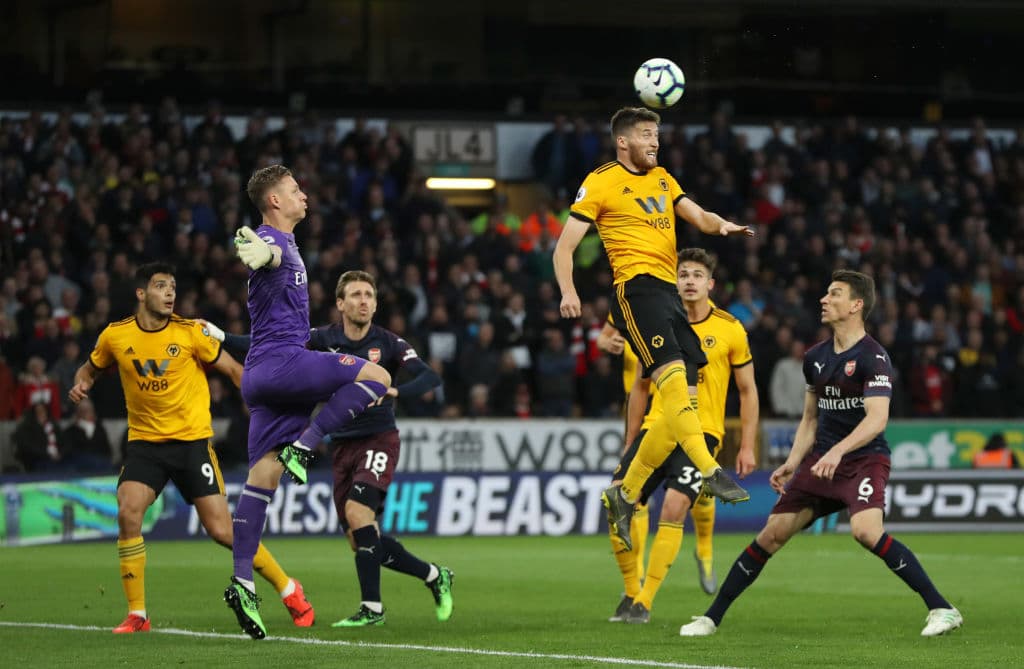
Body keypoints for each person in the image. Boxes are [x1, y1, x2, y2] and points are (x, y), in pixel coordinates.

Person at [679, 270, 963, 638]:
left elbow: (877, 420)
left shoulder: (874, 358)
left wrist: (839, 452)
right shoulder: (815, 357)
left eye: (835, 294)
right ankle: (710, 618)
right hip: (820, 463)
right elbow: (811, 418)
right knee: (771, 535)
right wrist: (793, 462)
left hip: (863, 460)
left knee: (865, 531)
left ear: (856, 305)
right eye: (826, 293)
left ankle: (942, 608)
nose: (824, 300)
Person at [68, 262, 315, 634]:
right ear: (141, 293)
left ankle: (289, 588)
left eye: (172, 287)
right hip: (145, 446)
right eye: (161, 286)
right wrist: (80, 384)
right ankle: (138, 614)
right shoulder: (115, 337)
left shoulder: (190, 333)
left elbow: (234, 371)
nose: (170, 293)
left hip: (192, 445)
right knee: (128, 511)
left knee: (222, 531)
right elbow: (89, 368)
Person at [553, 106, 754, 551]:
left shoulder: (663, 179)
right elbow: (564, 247)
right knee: (672, 383)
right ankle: (708, 469)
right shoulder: (601, 181)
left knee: (682, 394)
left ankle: (624, 492)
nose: (655, 142)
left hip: (668, 296)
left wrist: (723, 226)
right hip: (636, 290)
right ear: (623, 141)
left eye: (657, 135)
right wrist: (569, 291)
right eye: (647, 135)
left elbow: (698, 217)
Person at [206, 269, 453, 628]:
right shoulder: (321, 339)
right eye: (355, 295)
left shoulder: (390, 344)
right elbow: (263, 346)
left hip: (378, 438)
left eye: (369, 295)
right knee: (362, 539)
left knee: (357, 514)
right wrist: (222, 336)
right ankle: (434, 575)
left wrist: (398, 391)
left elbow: (431, 377)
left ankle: (373, 608)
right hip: (341, 444)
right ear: (340, 303)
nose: (363, 301)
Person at [226, 165, 391, 639]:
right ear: (274, 200)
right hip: (284, 364)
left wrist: (263, 253)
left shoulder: (286, 243)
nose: (305, 196)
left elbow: (268, 257)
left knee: (261, 479)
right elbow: (263, 254)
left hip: (258, 379)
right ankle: (308, 444)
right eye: (296, 190)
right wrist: (258, 252)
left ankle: (241, 582)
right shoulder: (272, 240)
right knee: (376, 376)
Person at [599, 249, 758, 623]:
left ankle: (645, 601)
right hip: (657, 426)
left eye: (697, 275)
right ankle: (630, 591)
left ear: (710, 284)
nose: (689, 281)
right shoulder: (655, 322)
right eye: (683, 274)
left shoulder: (730, 328)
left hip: (702, 432)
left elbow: (748, 391)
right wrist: (629, 438)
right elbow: (639, 389)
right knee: (618, 499)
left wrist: (748, 444)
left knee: (673, 506)